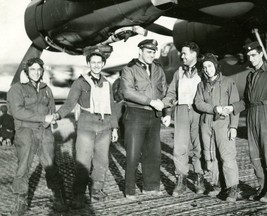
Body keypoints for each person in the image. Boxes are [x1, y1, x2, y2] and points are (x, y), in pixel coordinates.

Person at [53, 50, 119, 209]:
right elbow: (70, 103)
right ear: (89, 64)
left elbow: (111, 106)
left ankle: (97, 190)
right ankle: (78, 195)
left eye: (99, 62)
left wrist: (115, 128)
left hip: (105, 125)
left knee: (102, 160)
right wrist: (57, 115)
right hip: (86, 124)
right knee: (83, 161)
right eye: (93, 62)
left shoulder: (106, 83)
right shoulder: (80, 82)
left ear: (103, 64)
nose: (96, 65)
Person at [224, 41, 267, 203]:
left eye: (253, 55)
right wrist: (232, 108)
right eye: (248, 56)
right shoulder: (251, 75)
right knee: (255, 155)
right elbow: (246, 101)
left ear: (260, 54)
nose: (250, 59)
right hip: (252, 114)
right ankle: (262, 187)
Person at [7, 57, 67, 215]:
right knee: (23, 167)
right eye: (32, 69)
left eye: (39, 69)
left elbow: (52, 108)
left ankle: (58, 197)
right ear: (26, 71)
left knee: (51, 166)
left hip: (45, 132)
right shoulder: (17, 88)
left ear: (42, 71)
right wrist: (43, 118)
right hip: (25, 132)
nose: (36, 72)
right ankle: (20, 199)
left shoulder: (46, 89)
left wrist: (52, 119)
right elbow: (17, 111)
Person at [120, 39, 167, 199]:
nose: (152, 55)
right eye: (148, 51)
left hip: (154, 116)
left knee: (153, 153)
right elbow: (127, 91)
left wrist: (166, 112)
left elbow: (164, 90)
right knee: (133, 154)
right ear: (140, 51)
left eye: (154, 52)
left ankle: (151, 187)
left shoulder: (158, 69)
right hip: (135, 114)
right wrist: (150, 101)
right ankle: (129, 190)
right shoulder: (129, 69)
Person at [194, 53, 240, 202]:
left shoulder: (228, 82)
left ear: (216, 66)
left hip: (223, 124)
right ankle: (217, 185)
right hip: (207, 124)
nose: (207, 69)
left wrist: (233, 126)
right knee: (210, 156)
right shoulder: (201, 85)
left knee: (227, 156)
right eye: (205, 67)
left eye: (210, 66)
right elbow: (198, 103)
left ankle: (232, 188)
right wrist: (215, 108)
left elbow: (235, 106)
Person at [162, 42, 204, 196]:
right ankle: (181, 180)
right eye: (181, 53)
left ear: (194, 54)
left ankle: (199, 178)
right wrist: (166, 111)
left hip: (199, 112)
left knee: (198, 146)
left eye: (185, 53)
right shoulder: (178, 72)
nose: (182, 56)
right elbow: (171, 93)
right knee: (179, 147)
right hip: (181, 111)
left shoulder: (203, 70)